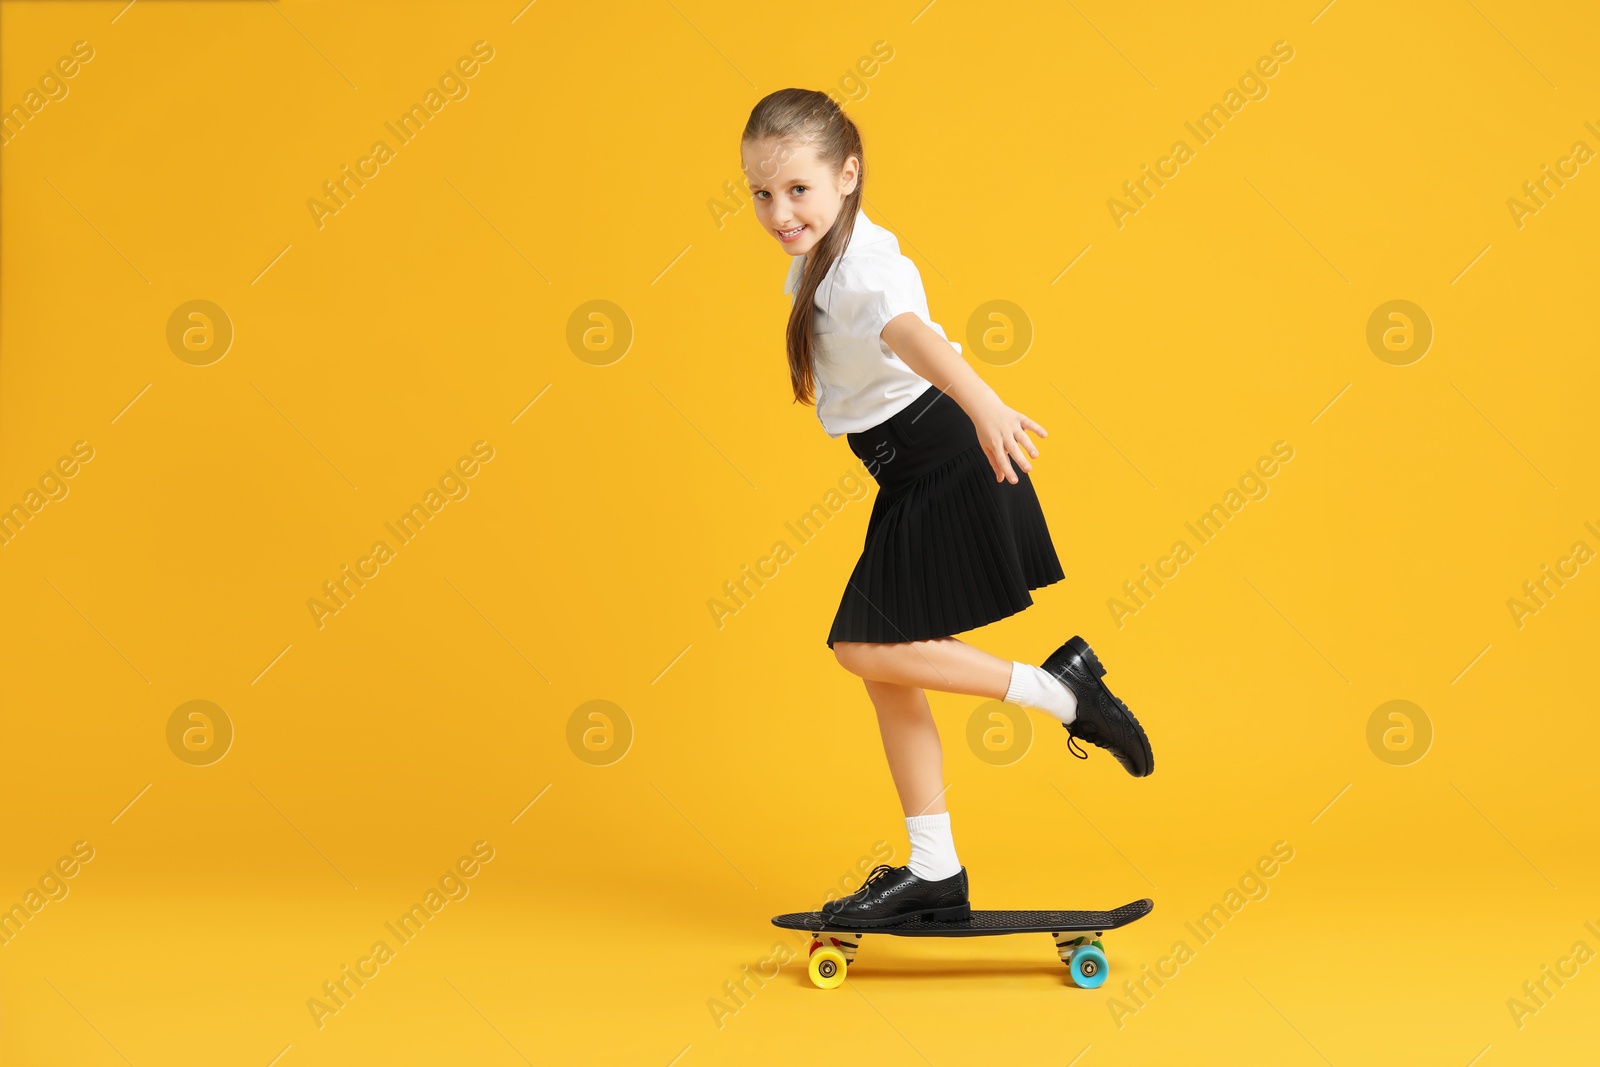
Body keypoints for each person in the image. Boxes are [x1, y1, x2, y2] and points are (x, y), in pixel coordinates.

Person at [742, 89, 1154, 929]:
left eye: (797, 190)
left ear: (847, 175)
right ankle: (934, 868)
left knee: (864, 647)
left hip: (945, 457)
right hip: (912, 470)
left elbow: (908, 331)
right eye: (760, 193)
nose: (779, 211)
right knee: (888, 668)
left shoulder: (861, 268)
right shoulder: (830, 251)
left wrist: (985, 402)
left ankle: (1062, 695)